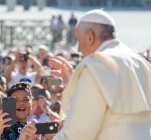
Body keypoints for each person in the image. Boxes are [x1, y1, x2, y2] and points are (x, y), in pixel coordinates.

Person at [53, 9, 151, 139]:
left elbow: (78, 133)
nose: (78, 49)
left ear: (90, 37)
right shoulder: (141, 63)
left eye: (78, 40)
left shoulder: (96, 65)